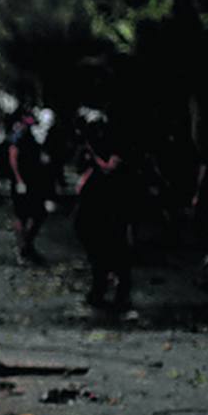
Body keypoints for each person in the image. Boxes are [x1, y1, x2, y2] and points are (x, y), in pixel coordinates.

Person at [74, 117, 134, 311]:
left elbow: (110, 167)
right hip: (98, 214)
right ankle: (101, 293)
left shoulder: (114, 154)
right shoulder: (90, 159)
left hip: (113, 212)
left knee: (117, 257)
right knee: (101, 258)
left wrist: (94, 156)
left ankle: (117, 295)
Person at [7, 111, 48, 263]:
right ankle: (22, 249)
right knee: (21, 216)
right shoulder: (18, 136)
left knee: (38, 214)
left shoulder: (37, 137)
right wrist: (19, 180)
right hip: (22, 182)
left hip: (34, 181)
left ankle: (27, 245)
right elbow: (13, 158)